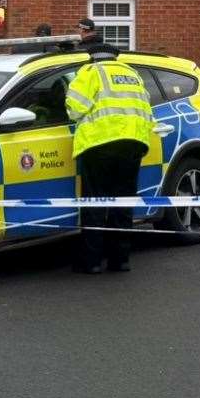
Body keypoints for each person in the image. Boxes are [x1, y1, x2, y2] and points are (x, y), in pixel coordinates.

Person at [65, 50, 155, 273]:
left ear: (93, 57)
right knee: (122, 203)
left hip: (99, 144)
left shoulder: (90, 72)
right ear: (114, 58)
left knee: (95, 203)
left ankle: (92, 262)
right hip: (134, 143)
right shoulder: (132, 74)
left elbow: (74, 110)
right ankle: (120, 259)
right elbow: (146, 108)